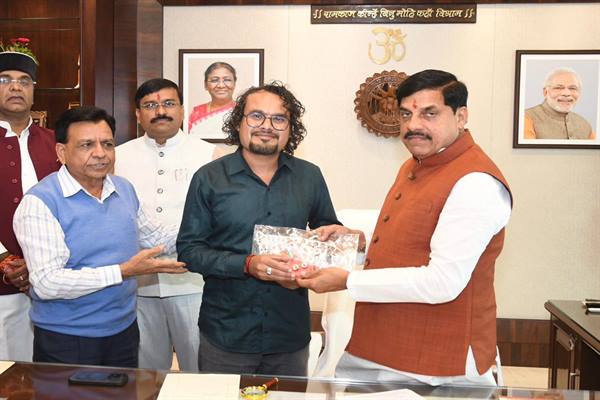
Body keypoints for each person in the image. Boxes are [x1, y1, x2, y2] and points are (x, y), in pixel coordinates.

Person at [297, 69, 513, 386]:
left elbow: (442, 282)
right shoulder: (415, 165)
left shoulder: (476, 182)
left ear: (461, 116)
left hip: (435, 364)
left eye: (429, 113)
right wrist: (360, 243)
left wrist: (347, 280)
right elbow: (415, 242)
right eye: (406, 114)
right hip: (381, 345)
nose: (413, 126)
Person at [177, 82, 341, 376]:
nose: (267, 126)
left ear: (290, 128)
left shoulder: (309, 176)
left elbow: (326, 231)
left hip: (289, 333)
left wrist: (339, 238)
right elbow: (189, 251)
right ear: (238, 122)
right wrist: (247, 264)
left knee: (287, 397)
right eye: (256, 116)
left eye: (279, 119)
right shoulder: (209, 178)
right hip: (227, 333)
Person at [13, 106, 187, 368]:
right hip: (67, 338)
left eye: (107, 144)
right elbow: (48, 282)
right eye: (87, 145)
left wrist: (204, 228)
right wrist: (122, 271)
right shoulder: (41, 201)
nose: (100, 153)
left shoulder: (123, 189)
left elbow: (156, 238)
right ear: (61, 152)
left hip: (123, 330)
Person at [115, 78, 221, 371]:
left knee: (200, 369)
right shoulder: (118, 157)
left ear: (182, 110)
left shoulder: (209, 155)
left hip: (193, 283)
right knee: (145, 375)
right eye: (150, 105)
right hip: (138, 285)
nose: (160, 111)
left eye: (168, 104)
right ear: (138, 114)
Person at [0, 40, 60, 362]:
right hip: (3, 289)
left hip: (57, 284)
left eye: (24, 80)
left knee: (55, 373)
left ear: (34, 90)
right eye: (5, 79)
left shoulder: (57, 144)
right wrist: (7, 262)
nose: (15, 87)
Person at [524, 68, 595, 140]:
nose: (566, 93)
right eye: (558, 88)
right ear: (545, 92)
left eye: (572, 88)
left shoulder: (585, 125)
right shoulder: (526, 118)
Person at [188, 62, 237, 138]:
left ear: (234, 83)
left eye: (227, 80)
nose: (221, 85)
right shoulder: (196, 113)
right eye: (214, 80)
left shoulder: (241, 111)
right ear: (205, 85)